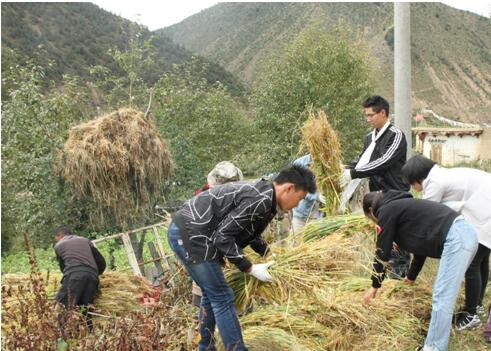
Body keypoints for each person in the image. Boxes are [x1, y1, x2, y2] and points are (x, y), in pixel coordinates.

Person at [168, 165, 316, 351]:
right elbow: (223, 237)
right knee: (222, 296)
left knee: (211, 294)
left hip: (189, 232)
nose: (297, 204)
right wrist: (250, 268)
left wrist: (269, 254)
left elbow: (247, 230)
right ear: (288, 188)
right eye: (300, 198)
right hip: (191, 235)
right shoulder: (261, 199)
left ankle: (205, 347)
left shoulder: (266, 197)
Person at [362, 190, 478, 351]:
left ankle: (433, 347)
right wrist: (411, 277)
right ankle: (433, 344)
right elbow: (421, 247)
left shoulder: (386, 211)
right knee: (443, 295)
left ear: (371, 212)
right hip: (464, 233)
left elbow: (382, 251)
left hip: (457, 236)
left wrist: (375, 285)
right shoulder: (400, 206)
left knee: (442, 296)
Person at [401, 155, 491, 331]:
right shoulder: (441, 175)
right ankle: (476, 305)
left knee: (472, 263)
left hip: (484, 212)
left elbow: (424, 221)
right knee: (482, 259)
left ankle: (471, 315)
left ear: (418, 178)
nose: (415, 189)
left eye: (413, 184)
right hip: (484, 207)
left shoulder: (435, 184)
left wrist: (411, 275)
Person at [343, 95, 411, 278]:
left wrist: (354, 173)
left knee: (399, 240)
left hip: (396, 195)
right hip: (377, 198)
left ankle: (400, 279)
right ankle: (383, 278)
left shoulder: (395, 135)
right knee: (383, 241)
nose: (368, 119)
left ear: (383, 113)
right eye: (366, 115)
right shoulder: (369, 138)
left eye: (371, 115)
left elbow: (384, 162)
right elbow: (362, 160)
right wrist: (344, 169)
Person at [191, 161, 244, 307]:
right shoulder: (203, 199)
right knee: (212, 296)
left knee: (231, 293)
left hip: (222, 248)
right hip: (207, 250)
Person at [54, 225, 106, 328]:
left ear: (59, 235)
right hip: (92, 277)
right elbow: (101, 262)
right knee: (86, 311)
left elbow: (63, 269)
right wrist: (94, 274)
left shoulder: (59, 245)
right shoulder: (85, 241)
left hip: (74, 276)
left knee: (62, 307)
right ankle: (89, 336)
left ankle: (63, 338)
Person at [291, 154, 325, 234]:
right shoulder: (299, 163)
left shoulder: (330, 163)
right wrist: (317, 196)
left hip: (320, 219)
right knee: (296, 244)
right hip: (301, 217)